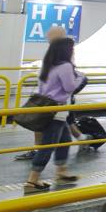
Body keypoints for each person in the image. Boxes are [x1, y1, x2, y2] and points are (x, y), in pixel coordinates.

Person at [23, 37, 83, 193]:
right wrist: (81, 78)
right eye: (72, 49)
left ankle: (61, 172)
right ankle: (32, 181)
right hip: (57, 112)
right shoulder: (65, 66)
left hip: (49, 111)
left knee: (65, 141)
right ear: (66, 51)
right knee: (48, 146)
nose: (74, 52)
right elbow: (70, 87)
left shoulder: (47, 66)